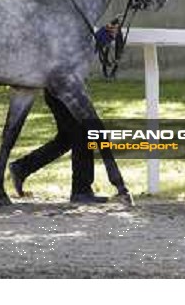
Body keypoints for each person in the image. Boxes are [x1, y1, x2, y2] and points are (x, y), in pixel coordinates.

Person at [9, 23, 119, 204]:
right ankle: (81, 191)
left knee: (66, 138)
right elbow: (72, 52)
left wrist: (103, 37)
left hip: (60, 88)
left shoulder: (67, 16)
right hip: (63, 89)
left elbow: (78, 51)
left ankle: (22, 168)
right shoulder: (63, 18)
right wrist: (100, 37)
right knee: (83, 134)